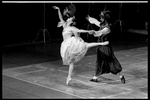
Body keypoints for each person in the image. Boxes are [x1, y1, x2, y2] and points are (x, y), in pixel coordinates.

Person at [53, 6, 109, 85]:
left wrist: (89, 31)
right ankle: (69, 77)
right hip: (65, 45)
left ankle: (101, 43)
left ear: (71, 21)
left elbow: (80, 30)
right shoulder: (65, 25)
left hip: (70, 44)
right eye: (69, 18)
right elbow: (60, 18)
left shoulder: (72, 28)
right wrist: (58, 9)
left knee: (85, 45)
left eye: (70, 18)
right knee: (71, 62)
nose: (68, 18)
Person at [87, 10, 125, 84]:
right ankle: (95, 77)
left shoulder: (107, 28)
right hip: (100, 46)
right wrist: (89, 18)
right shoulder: (102, 24)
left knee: (111, 62)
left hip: (105, 47)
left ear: (105, 19)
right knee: (99, 61)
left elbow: (99, 33)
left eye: (102, 17)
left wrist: (93, 32)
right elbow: (95, 22)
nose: (100, 18)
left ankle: (121, 76)